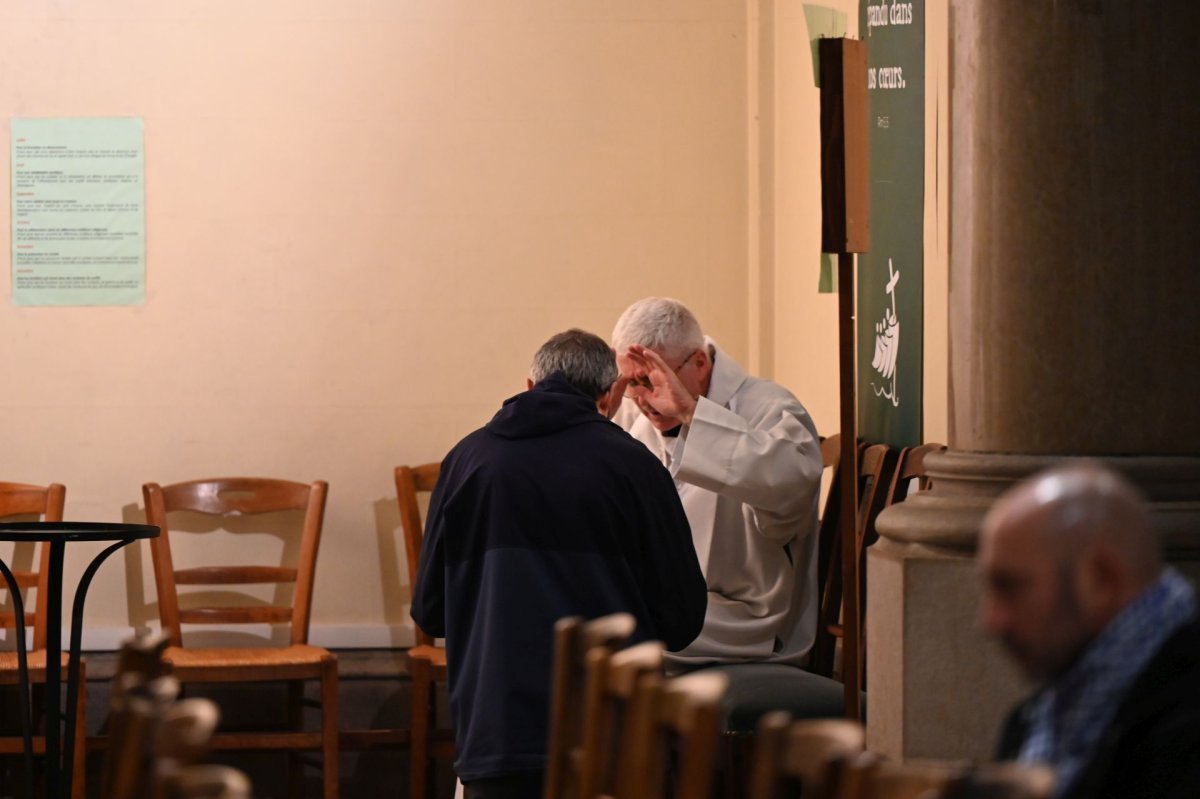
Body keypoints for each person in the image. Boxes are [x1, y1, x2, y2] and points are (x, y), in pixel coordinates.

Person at [410, 328, 707, 799]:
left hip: (496, 733)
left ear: (529, 385)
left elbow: (430, 612)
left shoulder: (466, 460)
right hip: (611, 736)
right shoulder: (637, 466)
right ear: (609, 395)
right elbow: (683, 617)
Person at [610, 297, 823, 670]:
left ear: (700, 362)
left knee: (608, 632)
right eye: (631, 383)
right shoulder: (637, 419)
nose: (642, 399)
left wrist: (693, 414)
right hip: (673, 598)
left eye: (651, 380)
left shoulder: (769, 408)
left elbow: (790, 487)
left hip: (741, 616)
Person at [981, 462, 1200, 799]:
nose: (992, 622)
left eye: (1011, 587)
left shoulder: (1182, 728)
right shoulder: (1039, 713)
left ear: (1102, 579)